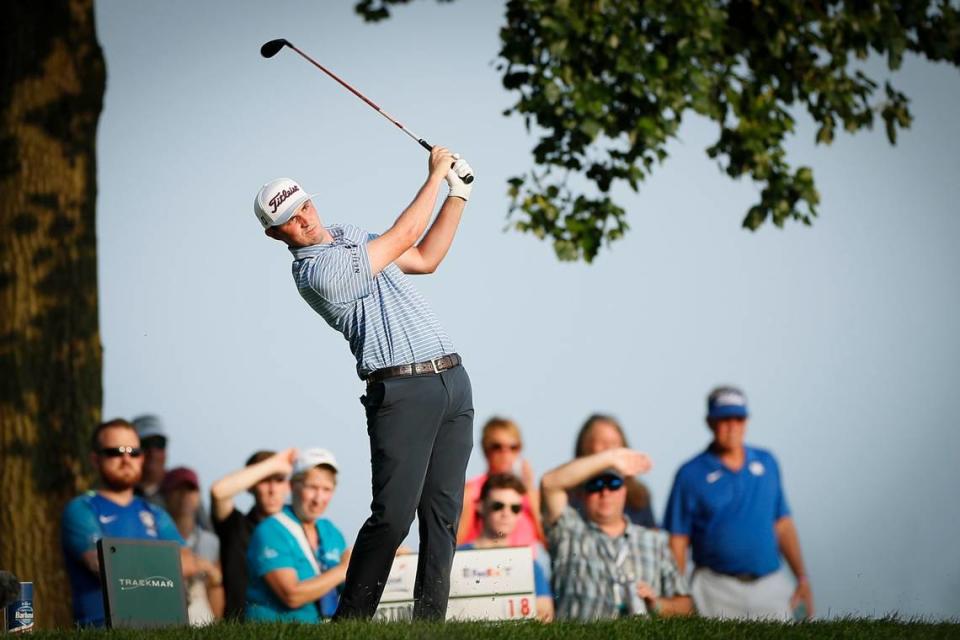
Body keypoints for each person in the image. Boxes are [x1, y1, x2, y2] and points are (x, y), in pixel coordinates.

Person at [254, 146, 475, 620]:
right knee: (393, 517)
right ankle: (350, 622)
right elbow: (405, 233)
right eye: (291, 219)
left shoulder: (350, 235)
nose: (305, 219)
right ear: (276, 235)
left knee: (442, 514)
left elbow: (424, 256)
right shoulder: (315, 272)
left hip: (452, 380)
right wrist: (436, 175)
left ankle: (429, 624)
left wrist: (457, 195)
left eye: (304, 206)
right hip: (400, 391)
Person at [663, 386, 814, 620]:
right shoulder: (690, 474)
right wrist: (677, 593)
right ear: (710, 423)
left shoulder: (767, 463)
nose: (732, 426)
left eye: (739, 418)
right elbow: (678, 540)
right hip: (714, 586)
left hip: (769, 584)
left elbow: (782, 524)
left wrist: (802, 577)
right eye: (724, 419)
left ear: (746, 421)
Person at [60, 419, 212, 627]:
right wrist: (162, 566)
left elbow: (186, 563)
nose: (126, 459)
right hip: (100, 628)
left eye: (133, 452)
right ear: (95, 460)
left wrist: (124, 561)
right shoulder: (82, 508)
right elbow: (101, 564)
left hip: (161, 628)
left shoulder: (155, 513)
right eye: (115, 452)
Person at [540, 448, 692, 621]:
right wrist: (611, 458)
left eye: (613, 484)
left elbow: (686, 605)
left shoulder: (653, 541)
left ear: (624, 491)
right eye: (595, 485)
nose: (605, 492)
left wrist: (656, 605)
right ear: (583, 495)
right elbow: (549, 483)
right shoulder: (568, 532)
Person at [245, 449, 349, 622]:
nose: (318, 498)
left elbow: (348, 587)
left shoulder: (330, 531)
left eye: (327, 489)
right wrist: (344, 569)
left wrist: (383, 557)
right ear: (292, 486)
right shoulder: (270, 530)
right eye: (312, 487)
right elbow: (291, 595)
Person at [210, 448, 295, 619]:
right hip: (240, 627)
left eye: (279, 480)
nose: (272, 490)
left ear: (288, 486)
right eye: (264, 480)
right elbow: (218, 493)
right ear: (250, 486)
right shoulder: (236, 526)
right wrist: (274, 464)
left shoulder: (298, 529)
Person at [457, 474, 554, 622]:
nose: (506, 513)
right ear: (480, 506)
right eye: (498, 506)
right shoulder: (455, 558)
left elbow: (545, 615)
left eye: (515, 508)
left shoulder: (530, 565)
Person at [458, 417, 544, 547]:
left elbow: (548, 541)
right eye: (497, 447)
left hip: (524, 564)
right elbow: (457, 541)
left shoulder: (529, 493)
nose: (506, 453)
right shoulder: (471, 492)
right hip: (485, 563)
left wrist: (530, 490)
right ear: (485, 449)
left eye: (513, 447)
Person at [162, 467, 224, 625]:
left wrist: (217, 623)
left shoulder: (210, 541)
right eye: (178, 490)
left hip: (201, 616)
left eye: (191, 489)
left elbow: (215, 586)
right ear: (166, 495)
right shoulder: (155, 536)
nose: (184, 496)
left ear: (198, 496)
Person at [572, 414, 657, 528]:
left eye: (613, 443)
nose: (609, 450)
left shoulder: (639, 496)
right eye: (602, 443)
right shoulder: (570, 495)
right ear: (586, 446)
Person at [131, 414, 167, 507]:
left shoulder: (179, 490)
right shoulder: (116, 491)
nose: (153, 452)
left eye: (159, 444)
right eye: (145, 444)